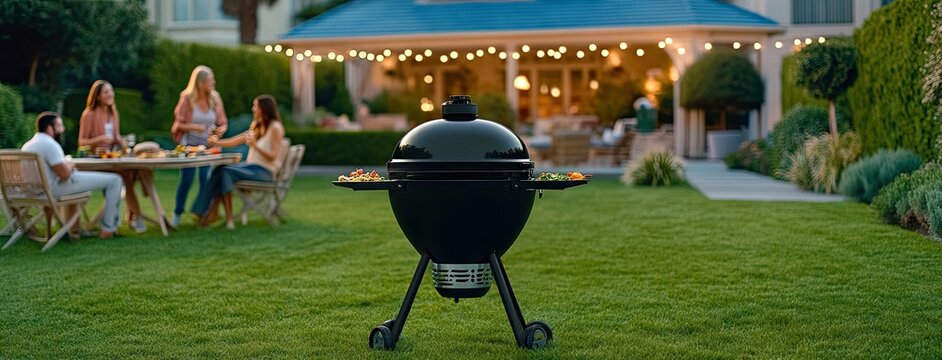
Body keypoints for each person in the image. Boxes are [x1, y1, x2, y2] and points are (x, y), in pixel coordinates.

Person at [22, 112, 124, 239]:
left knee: (82, 183)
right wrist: (69, 164)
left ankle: (73, 229)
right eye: (59, 126)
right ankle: (108, 229)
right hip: (52, 190)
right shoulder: (50, 144)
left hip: (35, 191)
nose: (63, 129)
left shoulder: (28, 145)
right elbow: (64, 174)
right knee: (115, 180)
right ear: (49, 127)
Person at [192, 95, 284, 229]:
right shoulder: (257, 126)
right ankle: (216, 213)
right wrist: (216, 142)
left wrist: (255, 146)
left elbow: (273, 157)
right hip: (252, 168)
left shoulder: (275, 127)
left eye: (255, 106)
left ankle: (209, 212)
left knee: (225, 171)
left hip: (265, 172)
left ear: (264, 109)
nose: (253, 109)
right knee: (221, 169)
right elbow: (237, 140)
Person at [78, 80, 146, 233]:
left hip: (112, 158)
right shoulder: (89, 114)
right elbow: (81, 142)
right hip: (95, 160)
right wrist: (99, 140)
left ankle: (130, 216)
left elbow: (115, 137)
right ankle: (137, 217)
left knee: (135, 173)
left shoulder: (113, 113)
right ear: (97, 96)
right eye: (106, 92)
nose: (110, 95)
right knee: (126, 177)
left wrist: (125, 146)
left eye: (111, 91)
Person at [170, 65, 228, 227]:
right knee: (187, 180)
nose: (212, 84)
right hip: (189, 146)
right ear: (200, 82)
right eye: (210, 81)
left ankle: (202, 214)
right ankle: (177, 213)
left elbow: (223, 123)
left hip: (207, 146)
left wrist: (218, 132)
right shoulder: (187, 98)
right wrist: (194, 127)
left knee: (205, 179)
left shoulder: (215, 98)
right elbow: (179, 124)